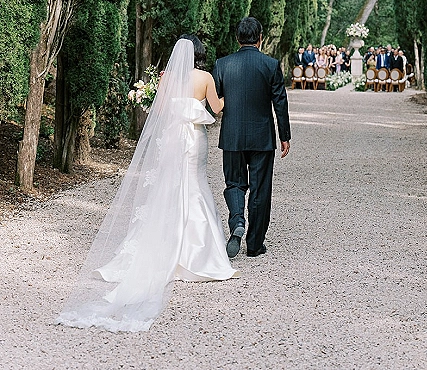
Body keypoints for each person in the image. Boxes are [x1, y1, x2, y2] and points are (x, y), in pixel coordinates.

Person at [56, 36, 238, 333]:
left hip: (171, 139)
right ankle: (196, 254)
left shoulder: (167, 78)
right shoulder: (205, 77)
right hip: (193, 139)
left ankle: (161, 248)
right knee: (194, 185)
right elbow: (217, 109)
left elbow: (161, 111)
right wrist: (231, 93)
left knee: (169, 188)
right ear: (200, 54)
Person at [213, 17, 291, 259]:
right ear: (260, 38)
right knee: (260, 189)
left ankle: (237, 220)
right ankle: (255, 244)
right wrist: (284, 136)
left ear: (237, 38)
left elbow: (215, 101)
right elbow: (280, 102)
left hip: (232, 136)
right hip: (262, 137)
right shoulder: (270, 64)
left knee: (234, 183)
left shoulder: (222, 64)